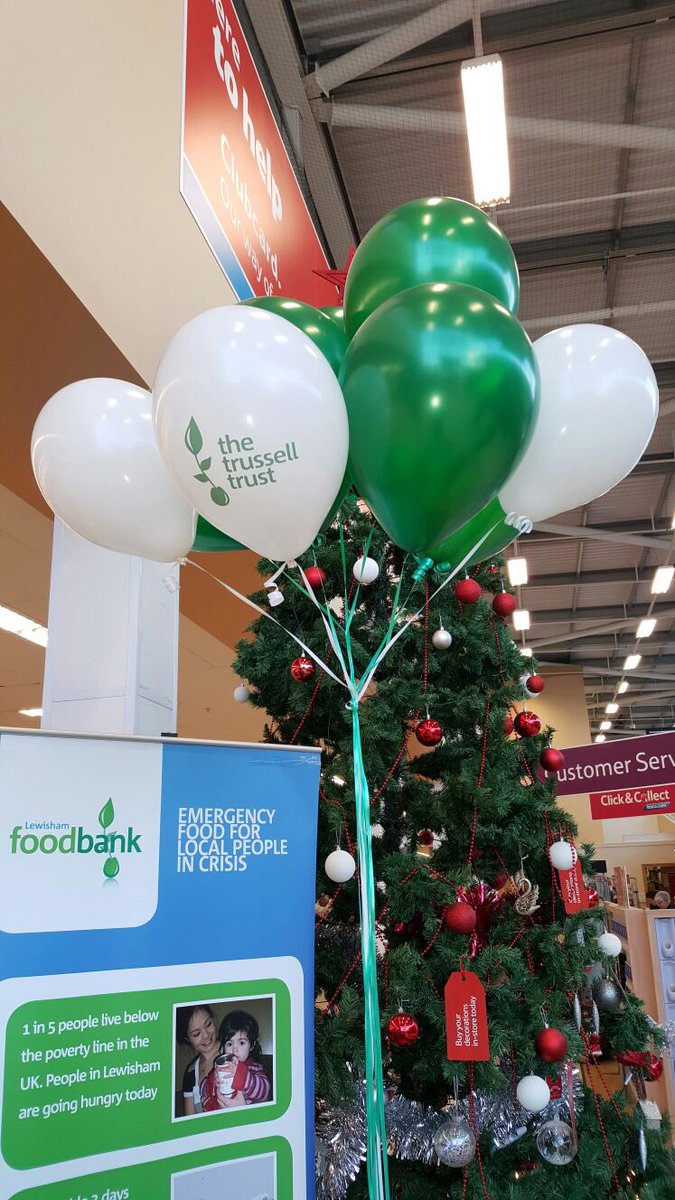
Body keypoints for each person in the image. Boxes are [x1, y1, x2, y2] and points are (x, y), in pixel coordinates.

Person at [202, 1009, 271, 1110]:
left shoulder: (255, 1070)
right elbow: (202, 1090)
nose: (235, 1049)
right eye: (229, 1044)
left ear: (252, 1045)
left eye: (242, 1042)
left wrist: (242, 1075)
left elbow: (264, 1090)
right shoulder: (219, 1070)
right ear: (223, 1048)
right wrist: (213, 1082)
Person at [176, 1004, 220, 1116]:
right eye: (196, 1034)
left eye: (208, 1024)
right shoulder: (190, 1073)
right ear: (187, 1038)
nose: (205, 1035)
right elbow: (189, 1122)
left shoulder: (235, 1051)